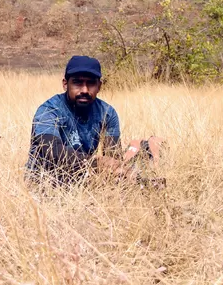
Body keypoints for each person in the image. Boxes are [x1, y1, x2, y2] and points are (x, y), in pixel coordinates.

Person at [27, 55, 163, 186]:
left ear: (99, 86)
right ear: (65, 84)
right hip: (45, 181)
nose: (85, 90)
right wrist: (98, 163)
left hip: (84, 178)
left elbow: (112, 155)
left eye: (91, 83)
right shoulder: (49, 110)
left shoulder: (107, 113)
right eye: (77, 83)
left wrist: (118, 170)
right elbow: (51, 151)